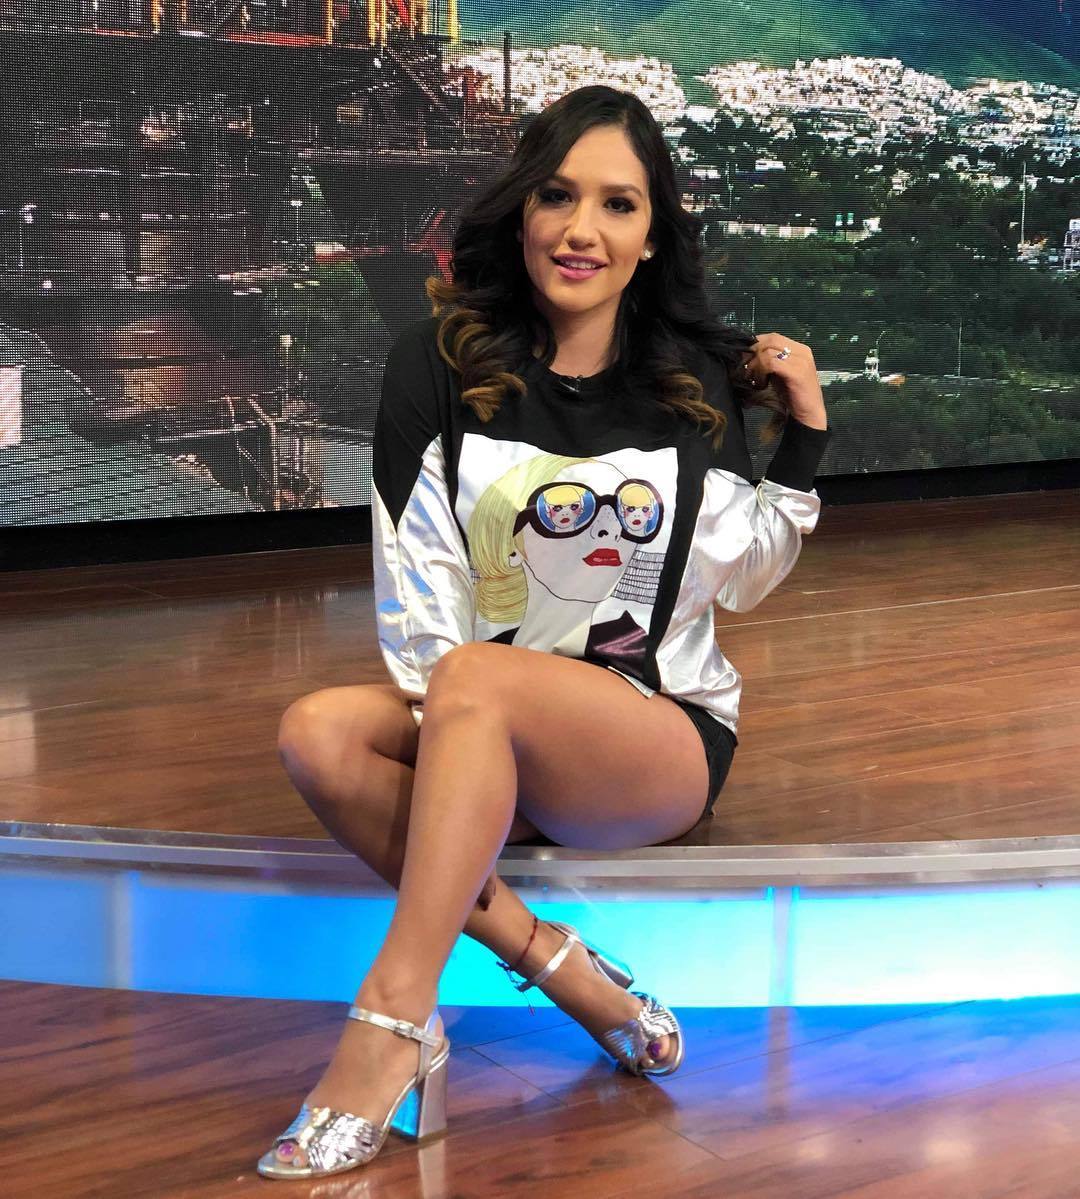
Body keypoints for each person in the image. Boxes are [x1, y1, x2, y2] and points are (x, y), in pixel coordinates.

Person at [259, 84, 832, 1180]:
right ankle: (564, 967)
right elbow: (417, 587)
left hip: (652, 731)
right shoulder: (436, 362)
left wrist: (801, 437)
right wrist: (471, 753)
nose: (582, 229)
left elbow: (746, 579)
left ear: (650, 234)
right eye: (558, 196)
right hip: (480, 711)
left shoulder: (687, 380)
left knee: (479, 681)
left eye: (618, 204)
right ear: (521, 210)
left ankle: (391, 1017)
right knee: (317, 731)